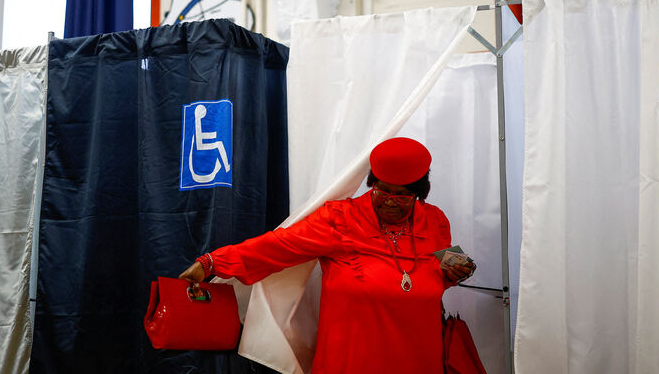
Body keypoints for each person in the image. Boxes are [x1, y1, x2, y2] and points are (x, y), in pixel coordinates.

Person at [178, 137, 476, 373]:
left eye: (402, 196)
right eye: (382, 191)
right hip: (352, 361)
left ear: (420, 193)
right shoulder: (341, 219)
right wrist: (212, 262)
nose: (389, 202)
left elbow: (440, 270)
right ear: (372, 183)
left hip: (418, 358)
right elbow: (278, 245)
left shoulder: (435, 220)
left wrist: (458, 271)